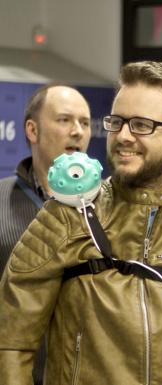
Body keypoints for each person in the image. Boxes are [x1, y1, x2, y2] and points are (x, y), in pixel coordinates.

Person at [0, 61, 162, 385]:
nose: (123, 136)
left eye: (141, 125)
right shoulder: (64, 216)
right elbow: (11, 343)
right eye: (117, 122)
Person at [0, 83, 91, 385]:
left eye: (85, 123)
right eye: (65, 120)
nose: (77, 131)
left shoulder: (110, 207)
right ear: (32, 130)